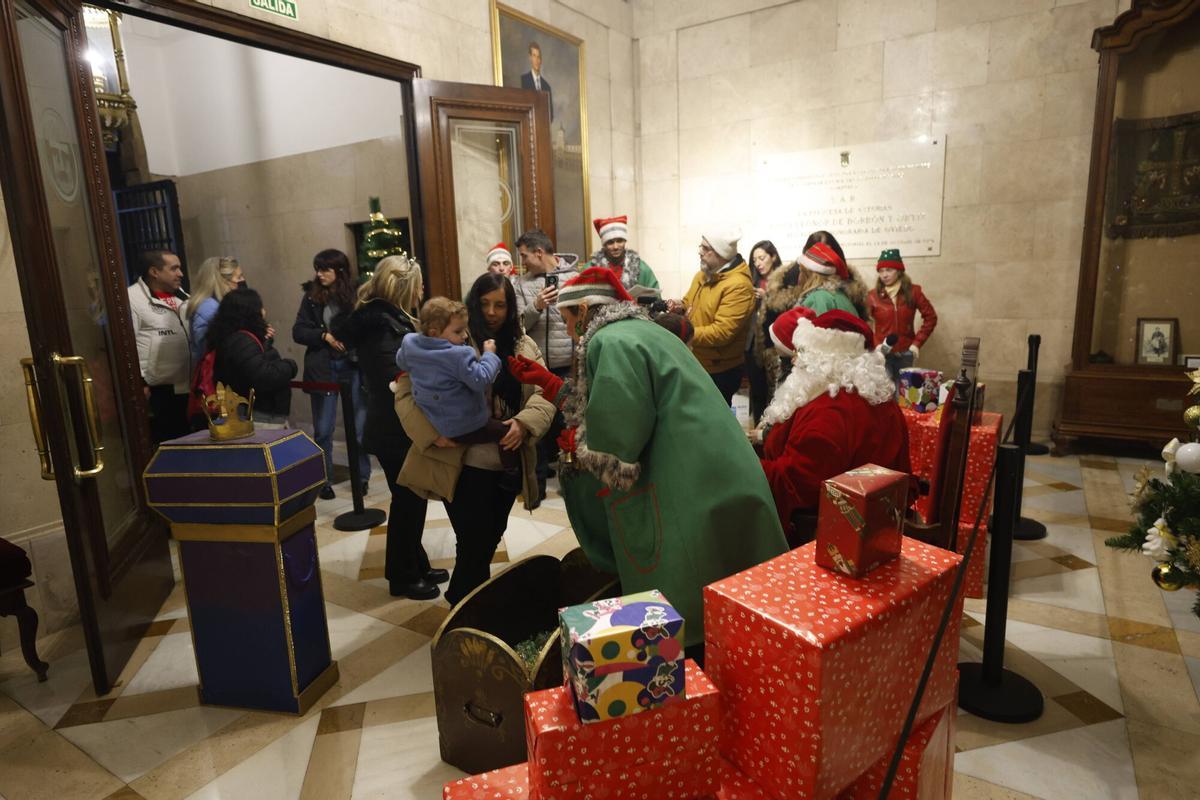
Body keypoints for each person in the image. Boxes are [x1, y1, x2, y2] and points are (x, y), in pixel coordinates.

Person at [536, 267, 787, 656]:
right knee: (730, 589)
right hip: (714, 469)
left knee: (685, 593)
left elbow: (620, 433)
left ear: (584, 310)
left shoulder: (610, 339)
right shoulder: (646, 330)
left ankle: (689, 678)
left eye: (569, 320)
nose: (570, 332)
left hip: (686, 480)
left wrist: (583, 459)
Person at [393, 272, 555, 606]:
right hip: (462, 462)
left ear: (511, 307)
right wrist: (433, 435)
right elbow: (405, 394)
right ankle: (464, 614)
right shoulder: (450, 341)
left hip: (506, 461)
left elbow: (544, 391)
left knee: (487, 539)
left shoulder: (523, 344)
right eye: (485, 304)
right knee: (473, 542)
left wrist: (524, 424)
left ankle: (471, 613)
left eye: (500, 304)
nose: (492, 312)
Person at [754, 307, 911, 547]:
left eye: (803, 353)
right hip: (881, 525)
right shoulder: (878, 398)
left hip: (833, 540)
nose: (795, 360)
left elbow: (795, 485)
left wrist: (745, 467)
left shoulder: (829, 411)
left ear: (824, 360)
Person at [337, 255, 446, 599]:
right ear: (404, 287)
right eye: (418, 285)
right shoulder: (383, 326)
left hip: (396, 424)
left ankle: (416, 563)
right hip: (394, 426)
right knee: (407, 501)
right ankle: (403, 577)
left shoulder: (389, 320)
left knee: (411, 500)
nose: (422, 291)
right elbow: (394, 379)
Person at [395, 298, 520, 479]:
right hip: (463, 424)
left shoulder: (409, 344)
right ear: (434, 332)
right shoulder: (458, 355)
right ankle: (512, 473)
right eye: (458, 331)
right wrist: (490, 355)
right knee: (506, 434)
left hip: (434, 421)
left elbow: (401, 362)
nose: (464, 336)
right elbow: (481, 378)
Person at [293, 249, 370, 500]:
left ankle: (362, 478)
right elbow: (299, 331)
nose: (319, 274)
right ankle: (324, 480)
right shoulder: (312, 297)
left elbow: (365, 327)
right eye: (317, 268)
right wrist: (323, 335)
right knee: (323, 430)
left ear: (339, 271)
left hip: (353, 367)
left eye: (324, 269)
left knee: (358, 430)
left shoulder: (356, 295)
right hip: (324, 368)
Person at [672, 230, 757, 405]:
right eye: (700, 246)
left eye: (705, 248)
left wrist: (682, 333)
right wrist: (679, 306)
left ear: (720, 253)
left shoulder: (738, 286)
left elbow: (722, 332)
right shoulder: (702, 275)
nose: (699, 251)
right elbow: (690, 303)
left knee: (711, 425)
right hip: (698, 360)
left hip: (720, 369)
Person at [207, 288, 297, 429]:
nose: (264, 312)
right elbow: (263, 376)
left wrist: (264, 338)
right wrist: (290, 366)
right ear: (250, 312)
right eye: (260, 307)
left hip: (259, 415)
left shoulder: (236, 338)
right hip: (259, 418)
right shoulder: (242, 340)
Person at [128, 249, 191, 444]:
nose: (180, 274)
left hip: (187, 385)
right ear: (154, 272)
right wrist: (139, 382)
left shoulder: (184, 297)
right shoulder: (132, 299)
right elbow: (126, 344)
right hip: (158, 391)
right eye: (174, 269)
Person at [866, 248, 938, 382]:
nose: (884, 275)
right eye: (881, 271)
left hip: (906, 352)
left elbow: (931, 317)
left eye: (889, 270)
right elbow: (864, 323)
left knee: (903, 395)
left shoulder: (914, 292)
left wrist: (916, 344)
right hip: (882, 353)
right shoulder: (872, 296)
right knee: (885, 393)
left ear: (899, 271)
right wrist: (876, 345)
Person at [745, 240, 784, 425]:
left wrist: (767, 296)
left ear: (773, 257)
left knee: (776, 394)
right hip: (752, 346)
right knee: (757, 391)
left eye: (762, 258)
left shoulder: (784, 280)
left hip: (774, 346)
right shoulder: (751, 282)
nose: (758, 263)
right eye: (755, 260)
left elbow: (786, 310)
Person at [792, 230, 870, 319]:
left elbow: (814, 331)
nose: (823, 255)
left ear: (810, 273)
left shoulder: (818, 298)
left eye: (801, 271)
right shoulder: (838, 294)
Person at [187, 256, 244, 365]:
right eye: (239, 277)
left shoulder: (216, 304)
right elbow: (209, 347)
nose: (242, 281)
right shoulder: (209, 308)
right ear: (223, 281)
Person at [585, 215, 659, 295]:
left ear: (625, 241)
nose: (615, 247)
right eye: (610, 242)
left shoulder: (642, 269)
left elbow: (655, 298)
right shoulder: (590, 269)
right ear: (604, 245)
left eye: (619, 241)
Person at [520, 41, 553, 120]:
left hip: (542, 129)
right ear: (530, 58)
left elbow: (550, 116)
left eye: (538, 57)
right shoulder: (523, 80)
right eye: (534, 56)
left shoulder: (546, 86)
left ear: (541, 60)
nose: (536, 60)